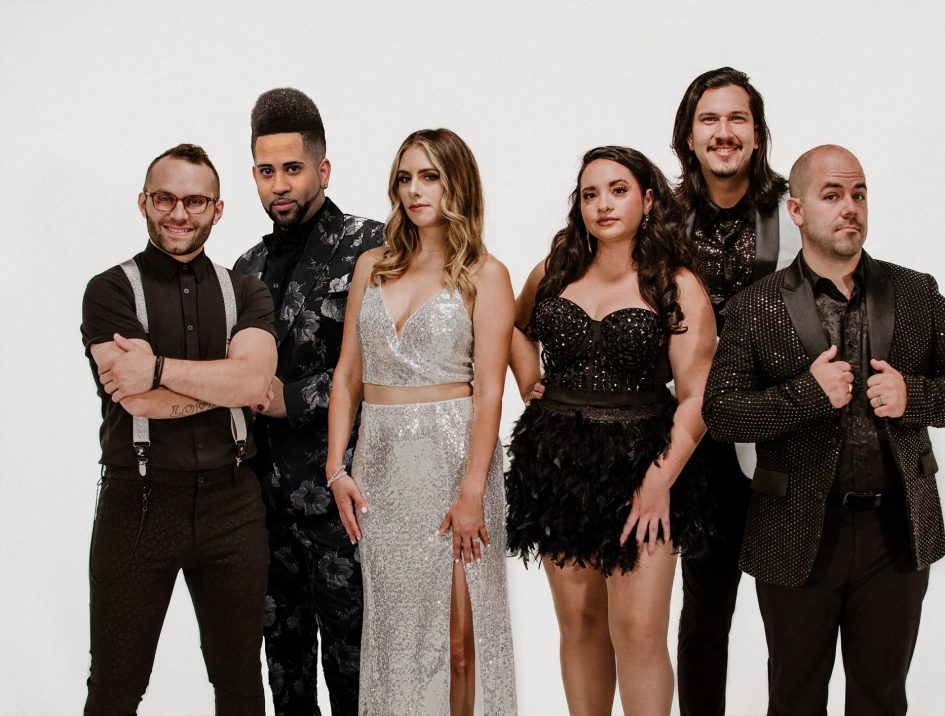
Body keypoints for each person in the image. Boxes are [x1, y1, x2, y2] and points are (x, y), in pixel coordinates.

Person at [703, 144, 945, 715]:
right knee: (794, 700)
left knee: (882, 700)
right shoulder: (755, 306)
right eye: (832, 196)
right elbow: (722, 411)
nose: (849, 207)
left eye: (858, 194)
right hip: (796, 533)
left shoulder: (914, 292)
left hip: (895, 533)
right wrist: (807, 394)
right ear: (798, 210)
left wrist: (915, 395)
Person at [505, 146, 715, 715]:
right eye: (590, 193)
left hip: (644, 464)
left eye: (617, 190)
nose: (602, 204)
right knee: (579, 626)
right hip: (556, 464)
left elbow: (696, 398)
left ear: (648, 200)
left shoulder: (678, 286)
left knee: (639, 633)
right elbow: (516, 327)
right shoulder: (554, 272)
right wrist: (530, 382)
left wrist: (658, 482)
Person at [325, 128, 517, 715]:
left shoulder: (486, 273)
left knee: (460, 643)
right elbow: (347, 376)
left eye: (429, 176)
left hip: (454, 463)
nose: (414, 190)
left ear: (457, 183)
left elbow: (489, 392)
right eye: (405, 178)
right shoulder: (371, 266)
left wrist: (473, 491)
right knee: (393, 640)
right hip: (379, 468)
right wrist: (336, 467)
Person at [81, 143, 277, 714]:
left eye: (195, 201)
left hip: (234, 504)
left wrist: (162, 371)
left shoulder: (247, 291)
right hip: (139, 502)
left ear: (217, 210)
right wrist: (228, 384)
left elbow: (254, 383)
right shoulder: (110, 290)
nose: (178, 213)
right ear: (143, 202)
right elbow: (137, 401)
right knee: (116, 687)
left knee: (241, 686)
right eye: (165, 198)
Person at [234, 88, 383, 715]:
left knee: (356, 675)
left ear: (323, 169)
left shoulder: (372, 246)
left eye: (292, 169)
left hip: (344, 502)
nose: (279, 185)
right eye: (266, 172)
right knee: (284, 674)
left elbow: (386, 368)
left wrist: (285, 398)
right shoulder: (244, 268)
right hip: (261, 508)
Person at [669, 66, 798, 716]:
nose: (724, 132)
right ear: (689, 136)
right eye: (710, 119)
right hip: (699, 444)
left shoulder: (792, 211)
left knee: (794, 621)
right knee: (705, 615)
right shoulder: (660, 218)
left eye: (737, 118)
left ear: (757, 132)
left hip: (783, 440)